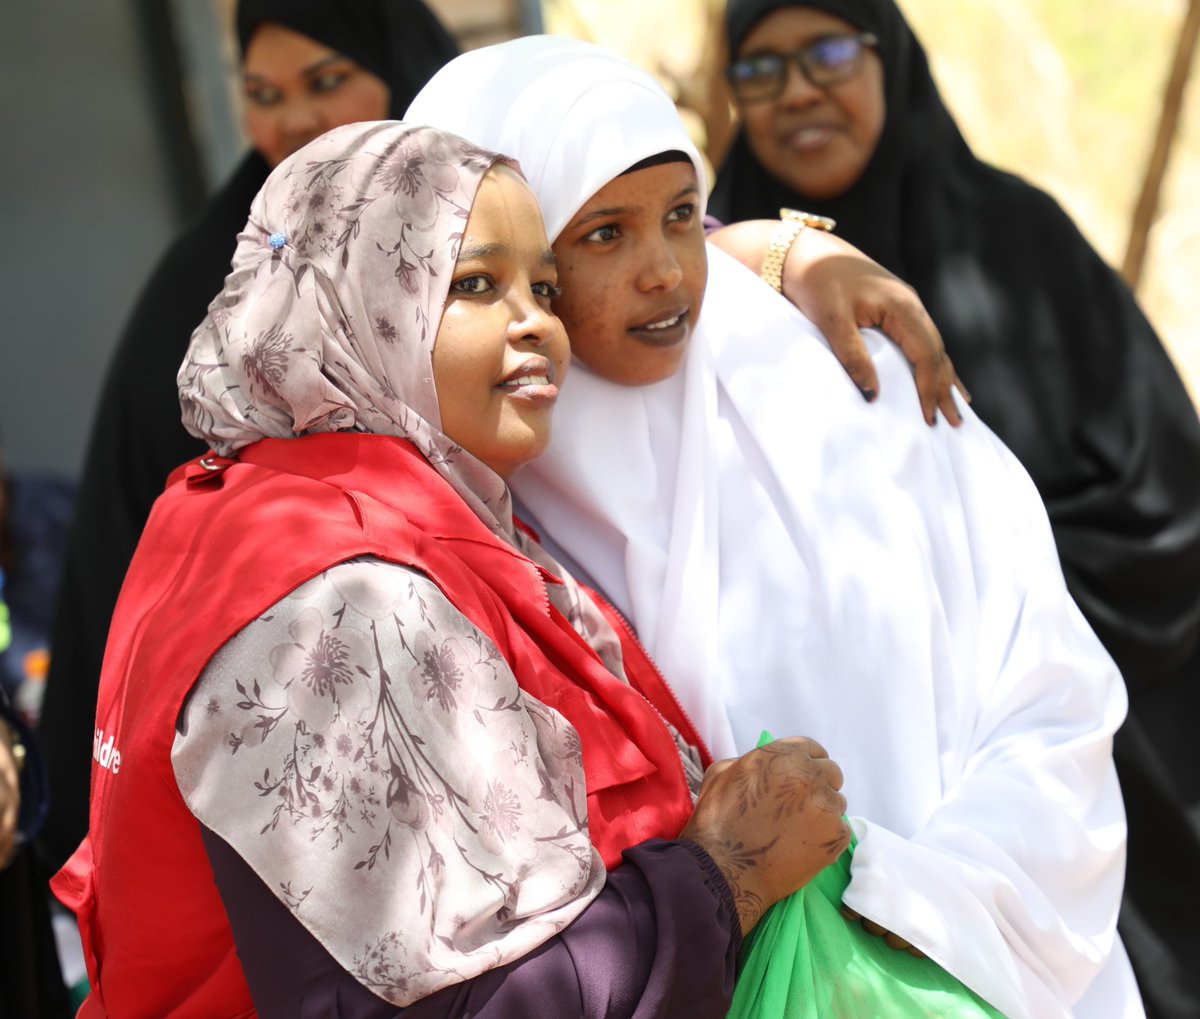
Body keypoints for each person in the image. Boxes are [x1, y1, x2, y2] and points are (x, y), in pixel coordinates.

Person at [405, 35, 1142, 1018]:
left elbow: (1049, 683)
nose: (667, 270)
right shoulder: (480, 511)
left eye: (679, 217)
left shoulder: (857, 389)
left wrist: (924, 907)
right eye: (602, 236)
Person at [50, 120, 855, 1017]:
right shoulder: (342, 598)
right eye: (473, 284)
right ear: (353, 301)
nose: (538, 326)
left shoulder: (271, 504)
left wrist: (776, 252)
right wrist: (727, 872)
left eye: (543, 288)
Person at [708, 3, 1200, 1015]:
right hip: (859, 784)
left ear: (894, 61)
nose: (797, 90)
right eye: (758, 70)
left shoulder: (1018, 240)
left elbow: (1163, 478)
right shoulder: (707, 298)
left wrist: (1000, 582)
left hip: (1072, 710)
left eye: (829, 52)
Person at [39, 0, 463, 877]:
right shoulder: (224, 269)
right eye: (262, 92)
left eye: (327, 80)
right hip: (266, 710)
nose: (293, 121)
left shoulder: (466, 219)